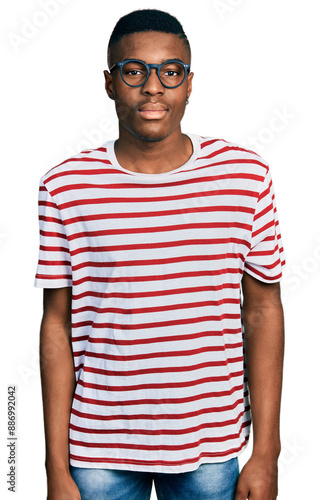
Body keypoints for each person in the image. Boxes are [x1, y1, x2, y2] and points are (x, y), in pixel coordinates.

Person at [35, 9, 285, 500]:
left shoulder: (245, 176)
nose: (153, 87)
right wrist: (54, 469)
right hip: (96, 451)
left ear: (189, 84)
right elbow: (56, 326)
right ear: (110, 84)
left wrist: (266, 452)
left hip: (209, 446)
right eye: (135, 71)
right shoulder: (65, 185)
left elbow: (262, 310)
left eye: (170, 71)